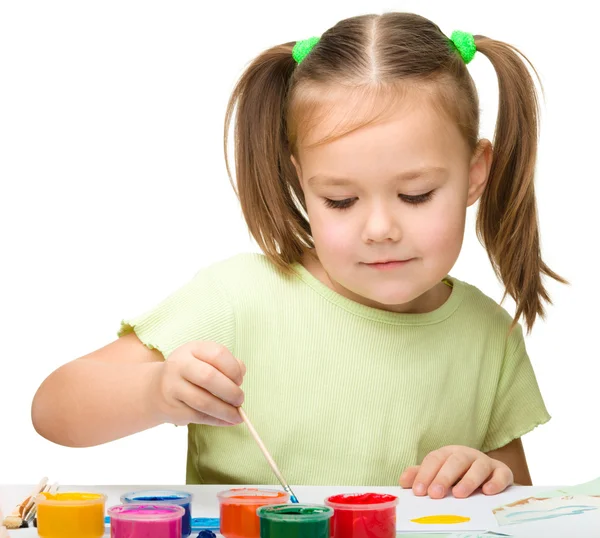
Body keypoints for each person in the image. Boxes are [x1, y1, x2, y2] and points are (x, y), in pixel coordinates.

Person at [32, 11, 565, 499]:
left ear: (475, 172)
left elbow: (518, 504)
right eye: (341, 200)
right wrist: (154, 392)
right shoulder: (238, 299)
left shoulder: (489, 335)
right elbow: (53, 408)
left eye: (416, 194)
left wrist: (482, 474)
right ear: (301, 183)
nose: (380, 229)